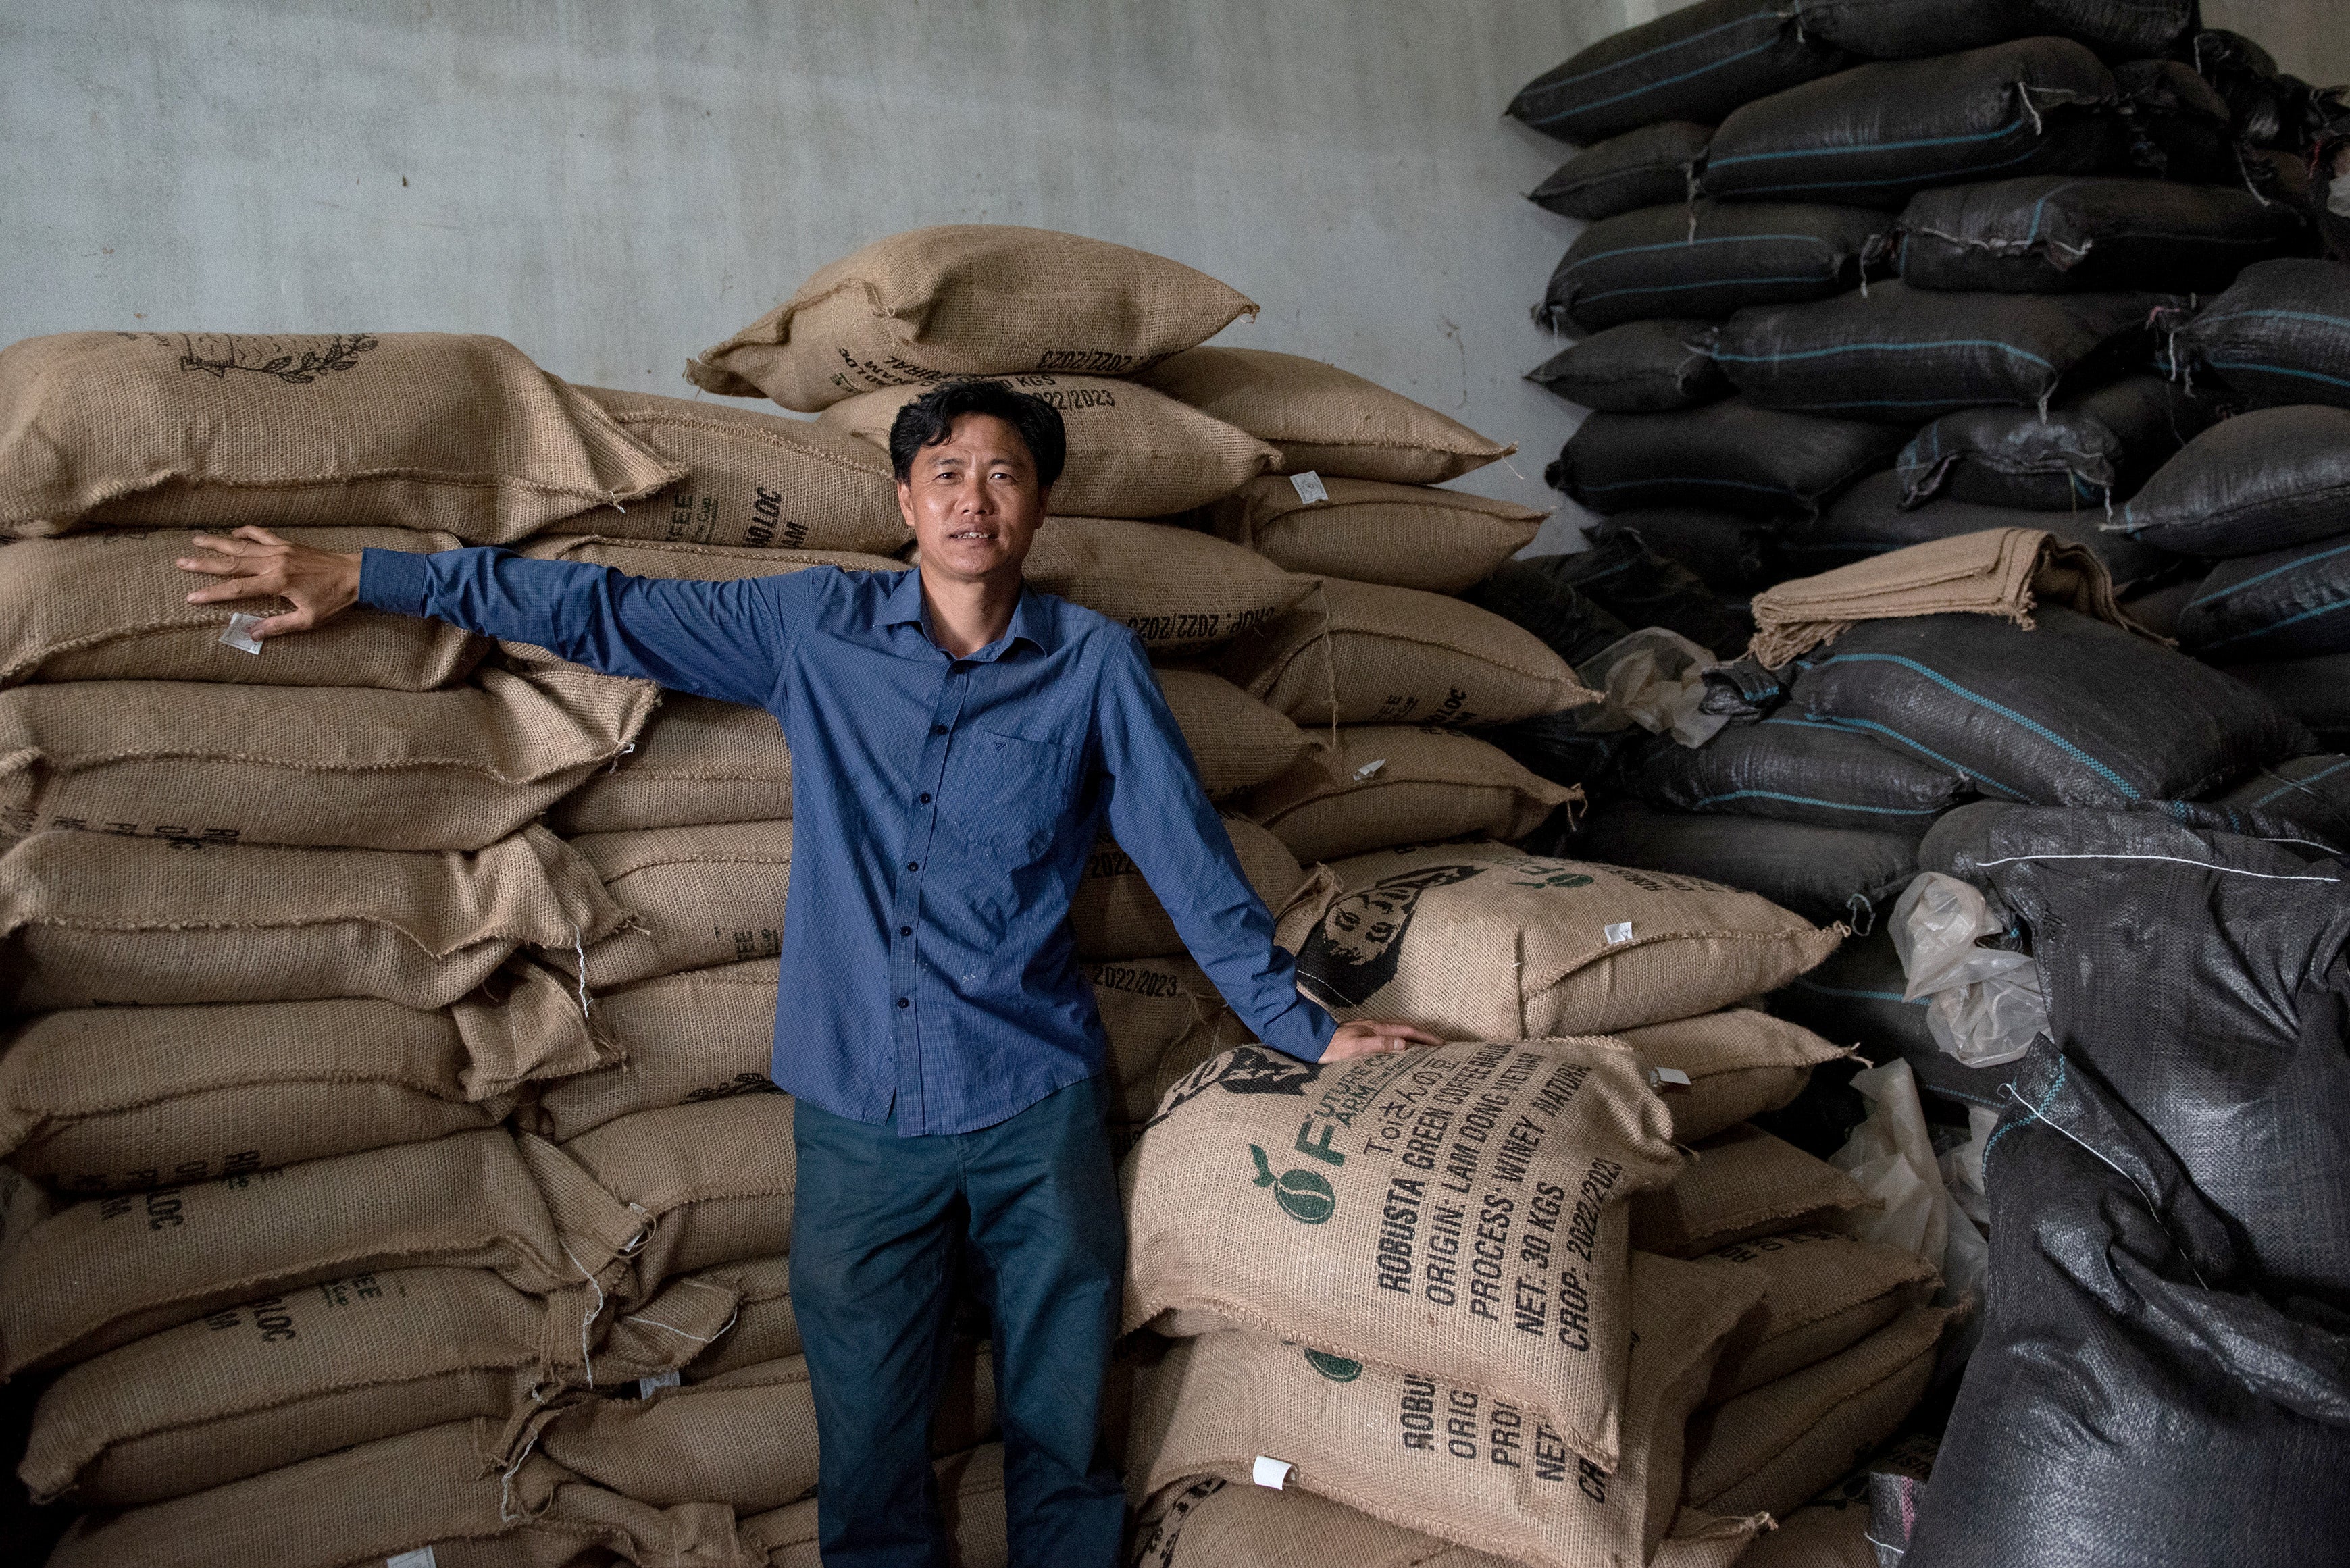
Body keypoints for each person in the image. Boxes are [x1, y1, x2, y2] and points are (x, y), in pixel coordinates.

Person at [177, 378, 1437, 1567]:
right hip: (859, 1126)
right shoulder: (816, 627)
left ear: (1039, 506)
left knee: (1064, 1436)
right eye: (946, 472)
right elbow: (602, 607)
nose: (972, 499)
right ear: (905, 501)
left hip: (1032, 1105)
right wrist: (370, 573)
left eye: (1004, 475)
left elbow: (1186, 855)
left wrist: (1303, 1027)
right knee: (872, 1454)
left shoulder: (1090, 662)